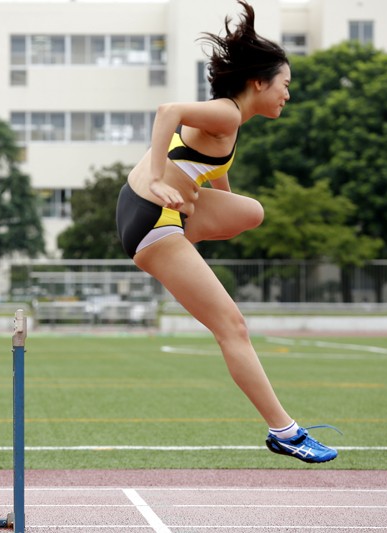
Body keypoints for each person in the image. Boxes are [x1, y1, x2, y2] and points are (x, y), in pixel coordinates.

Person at [116, 0, 338, 463]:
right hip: (152, 218)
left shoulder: (230, 122)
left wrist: (221, 200)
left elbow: (212, 169)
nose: (287, 95)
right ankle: (285, 431)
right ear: (259, 82)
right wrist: (157, 178)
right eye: (285, 85)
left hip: (160, 212)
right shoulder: (227, 114)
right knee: (232, 326)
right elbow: (167, 110)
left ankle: (185, 242)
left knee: (250, 211)